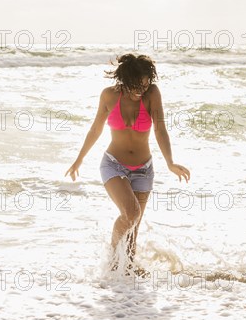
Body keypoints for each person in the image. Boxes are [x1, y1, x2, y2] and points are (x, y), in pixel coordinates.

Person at [64, 54, 191, 273]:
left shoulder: (152, 94)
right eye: (136, 86)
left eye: (144, 85)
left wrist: (170, 162)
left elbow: (160, 129)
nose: (140, 90)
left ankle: (127, 275)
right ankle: (113, 259)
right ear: (124, 81)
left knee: (134, 227)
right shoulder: (109, 96)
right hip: (113, 164)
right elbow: (96, 129)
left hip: (144, 169)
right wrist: (79, 159)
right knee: (131, 214)